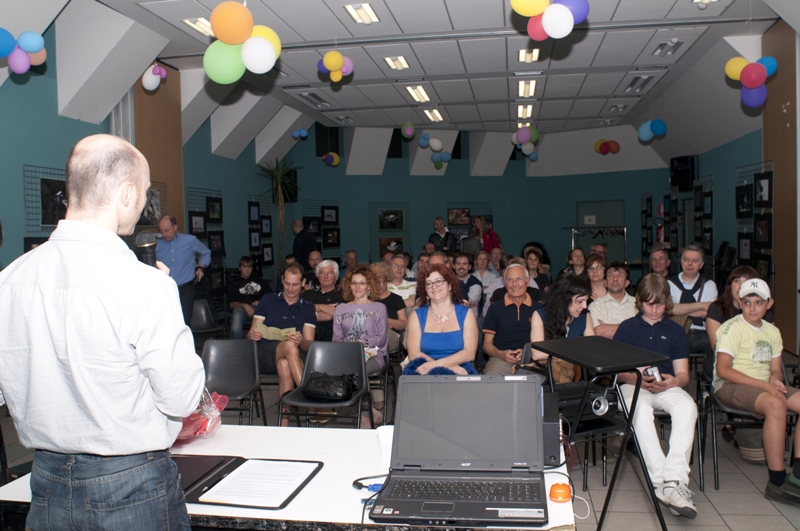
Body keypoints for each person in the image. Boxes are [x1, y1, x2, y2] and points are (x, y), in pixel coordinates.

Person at [0, 134, 205, 530]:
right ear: (126, 193)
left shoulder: (10, 280)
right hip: (132, 486)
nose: (144, 205)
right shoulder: (145, 285)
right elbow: (181, 397)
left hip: (45, 482)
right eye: (145, 193)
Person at [613, 274, 698, 518]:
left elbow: (683, 375)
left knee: (688, 407)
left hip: (665, 385)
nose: (654, 310)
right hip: (633, 383)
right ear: (640, 302)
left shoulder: (675, 331)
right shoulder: (627, 328)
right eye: (649, 304)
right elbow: (615, 373)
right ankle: (663, 482)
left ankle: (674, 479)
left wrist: (674, 381)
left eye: (659, 305)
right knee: (639, 410)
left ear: (666, 303)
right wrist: (636, 377)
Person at [713, 279, 800, 507]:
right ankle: (777, 481)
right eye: (747, 302)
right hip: (730, 385)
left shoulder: (772, 331)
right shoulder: (732, 328)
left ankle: (798, 476)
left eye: (759, 302)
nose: (752, 308)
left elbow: (775, 369)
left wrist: (775, 380)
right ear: (739, 302)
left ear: (769, 304)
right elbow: (723, 370)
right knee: (776, 405)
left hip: (763, 385)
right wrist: (767, 387)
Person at [704, 266, 774, 463]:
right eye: (737, 281)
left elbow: (768, 349)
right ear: (730, 285)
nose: (741, 286)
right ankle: (738, 422)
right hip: (723, 366)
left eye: (747, 281)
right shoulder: (717, 309)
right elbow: (718, 349)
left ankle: (745, 425)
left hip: (755, 367)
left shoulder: (765, 312)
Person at [248, 263, 317, 416]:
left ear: (303, 283)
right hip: (265, 354)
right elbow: (252, 332)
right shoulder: (268, 300)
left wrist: (301, 340)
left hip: (294, 357)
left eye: (295, 285)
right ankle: (311, 402)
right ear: (282, 280)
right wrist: (252, 334)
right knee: (290, 345)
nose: (290, 288)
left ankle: (283, 420)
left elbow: (309, 345)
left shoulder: (308, 307)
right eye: (287, 284)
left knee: (284, 364)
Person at [333, 264, 388, 427]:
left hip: (373, 354)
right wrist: (349, 347)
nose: (357, 287)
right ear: (349, 286)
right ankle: (368, 408)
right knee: (349, 366)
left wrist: (362, 343)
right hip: (347, 353)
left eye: (362, 283)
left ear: (369, 286)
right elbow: (336, 338)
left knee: (358, 368)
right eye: (354, 283)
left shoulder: (379, 308)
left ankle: (364, 413)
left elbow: (382, 338)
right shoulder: (341, 308)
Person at [403, 263, 479, 375]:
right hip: (425, 366)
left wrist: (440, 364)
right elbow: (413, 353)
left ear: (450, 286)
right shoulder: (416, 316)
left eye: (439, 281)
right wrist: (439, 366)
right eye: (429, 283)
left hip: (459, 366)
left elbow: (470, 353)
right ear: (425, 290)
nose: (434, 286)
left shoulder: (466, 314)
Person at [530, 275, 595, 384]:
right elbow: (537, 354)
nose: (585, 306)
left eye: (586, 301)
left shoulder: (585, 316)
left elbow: (593, 349)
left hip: (576, 376)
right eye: (580, 301)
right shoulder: (540, 315)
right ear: (564, 300)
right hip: (547, 374)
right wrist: (575, 352)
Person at [483, 264, 543, 375]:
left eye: (519, 279)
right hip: (500, 360)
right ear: (505, 284)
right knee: (492, 379)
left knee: (538, 381)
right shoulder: (495, 308)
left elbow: (546, 342)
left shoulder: (539, 308)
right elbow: (486, 345)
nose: (514, 284)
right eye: (510, 280)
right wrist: (501, 354)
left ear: (527, 282)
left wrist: (527, 352)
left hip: (533, 359)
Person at [156, 214, 211, 324]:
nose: (164, 234)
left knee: (184, 322)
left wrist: (201, 267)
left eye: (166, 230)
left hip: (185, 289)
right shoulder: (157, 245)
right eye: (161, 231)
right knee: (167, 322)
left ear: (175, 227)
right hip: (165, 289)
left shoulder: (190, 241)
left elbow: (206, 253)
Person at [668, 244, 718, 353]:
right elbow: (669, 309)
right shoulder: (669, 284)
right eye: (686, 260)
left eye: (695, 261)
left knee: (717, 347)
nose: (689, 264)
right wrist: (701, 305)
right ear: (681, 262)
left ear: (701, 265)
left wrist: (680, 309)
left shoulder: (709, 285)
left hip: (703, 333)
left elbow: (710, 311)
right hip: (675, 332)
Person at [589, 261, 637, 339]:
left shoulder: (637, 304)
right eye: (610, 275)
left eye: (620, 275)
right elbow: (598, 332)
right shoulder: (596, 306)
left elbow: (643, 331)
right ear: (605, 282)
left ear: (627, 283)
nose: (615, 279)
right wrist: (633, 327)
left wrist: (607, 328)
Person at [227, 255, 272, 340]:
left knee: (272, 310)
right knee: (237, 314)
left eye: (249, 266)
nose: (247, 269)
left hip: (260, 308)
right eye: (244, 266)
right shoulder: (234, 284)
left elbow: (271, 296)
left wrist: (261, 302)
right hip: (242, 310)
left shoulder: (260, 281)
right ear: (240, 268)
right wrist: (244, 305)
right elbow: (231, 304)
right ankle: (236, 345)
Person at [301, 259, 344, 342]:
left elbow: (328, 316)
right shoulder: (307, 294)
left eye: (330, 273)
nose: (326, 276)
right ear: (317, 276)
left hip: (329, 338)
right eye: (322, 273)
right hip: (305, 338)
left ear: (336, 276)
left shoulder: (341, 296)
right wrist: (322, 307)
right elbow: (297, 312)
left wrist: (307, 313)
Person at [371, 263, 408, 352]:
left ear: (387, 280)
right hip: (370, 334)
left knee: (382, 334)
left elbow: (404, 324)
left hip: (391, 335)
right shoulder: (368, 299)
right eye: (375, 282)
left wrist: (385, 320)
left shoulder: (396, 299)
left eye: (381, 282)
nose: (378, 286)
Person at [472, 250, 498, 314]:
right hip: (474, 307)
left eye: (485, 259)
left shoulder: (493, 276)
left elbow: (494, 293)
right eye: (480, 259)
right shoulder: (471, 276)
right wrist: (485, 288)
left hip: (488, 306)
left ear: (488, 262)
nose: (482, 261)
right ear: (476, 261)